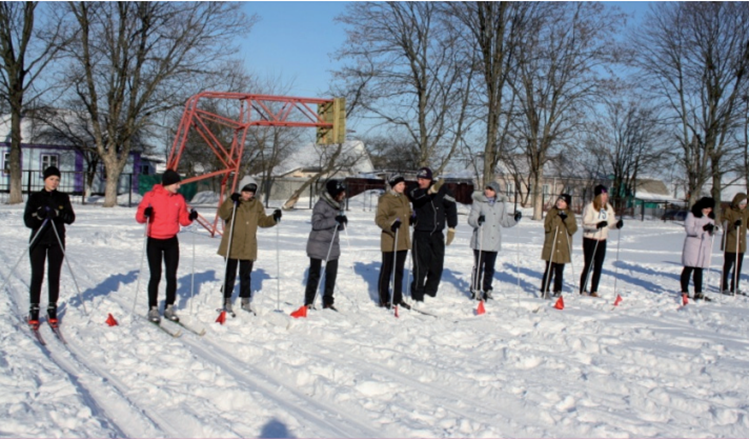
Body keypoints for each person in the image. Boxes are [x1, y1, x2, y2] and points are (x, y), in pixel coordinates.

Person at [135, 169, 197, 323]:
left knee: (171, 275)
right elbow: (140, 218)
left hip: (171, 241)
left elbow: (183, 220)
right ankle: (153, 308)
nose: (178, 186)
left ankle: (169, 306)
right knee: (155, 275)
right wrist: (145, 214)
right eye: (176, 184)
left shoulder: (179, 198)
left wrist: (190, 217)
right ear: (168, 183)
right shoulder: (150, 196)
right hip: (154, 240)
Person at [217, 179, 281, 314]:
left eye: (251, 193)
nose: (248, 195)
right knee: (230, 273)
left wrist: (273, 218)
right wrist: (230, 201)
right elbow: (223, 214)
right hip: (232, 244)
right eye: (246, 192)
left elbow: (262, 221)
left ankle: (245, 299)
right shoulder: (234, 202)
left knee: (246, 275)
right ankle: (226, 298)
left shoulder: (257, 205)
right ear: (241, 190)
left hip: (248, 245)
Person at [23, 166, 75, 328]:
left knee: (54, 274)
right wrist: (39, 215)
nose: (54, 182)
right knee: (37, 274)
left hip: (56, 240)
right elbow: (28, 221)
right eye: (51, 179)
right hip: (38, 240)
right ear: (45, 179)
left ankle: (52, 308)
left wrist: (58, 214)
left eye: (57, 180)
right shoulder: (35, 197)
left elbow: (70, 218)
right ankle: (34, 309)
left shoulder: (62, 197)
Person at [407, 167, 458, 302]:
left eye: (423, 179)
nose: (420, 182)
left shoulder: (442, 189)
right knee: (420, 266)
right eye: (419, 179)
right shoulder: (413, 189)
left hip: (437, 234)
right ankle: (417, 294)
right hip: (421, 233)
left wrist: (452, 227)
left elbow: (451, 206)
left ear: (430, 179)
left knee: (437, 265)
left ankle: (430, 292)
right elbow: (417, 198)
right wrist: (429, 191)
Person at [466, 181, 521, 300]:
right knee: (478, 267)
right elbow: (471, 219)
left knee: (490, 268)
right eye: (487, 188)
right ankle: (475, 289)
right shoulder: (479, 202)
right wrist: (477, 220)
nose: (488, 191)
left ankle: (487, 289)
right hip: (480, 240)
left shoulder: (501, 204)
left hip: (493, 241)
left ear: (496, 191)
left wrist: (515, 219)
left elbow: (504, 221)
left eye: (490, 189)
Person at [303, 179, 347, 311]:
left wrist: (342, 222)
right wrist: (334, 220)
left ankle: (328, 301)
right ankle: (309, 301)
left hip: (332, 244)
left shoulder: (339, 205)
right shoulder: (321, 204)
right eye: (341, 192)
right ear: (334, 193)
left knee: (331, 274)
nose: (344, 195)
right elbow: (316, 224)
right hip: (318, 243)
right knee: (315, 274)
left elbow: (338, 227)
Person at [375, 174, 412, 309]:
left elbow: (408, 213)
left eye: (403, 184)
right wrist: (390, 225)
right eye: (400, 184)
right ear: (393, 185)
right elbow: (379, 219)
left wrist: (413, 217)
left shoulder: (404, 198)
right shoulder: (385, 199)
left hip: (403, 240)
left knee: (399, 271)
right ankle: (384, 298)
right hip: (390, 240)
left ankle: (397, 298)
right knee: (387, 270)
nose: (403, 186)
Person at [579, 185, 623, 297]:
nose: (605, 196)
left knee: (599, 265)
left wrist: (617, 225)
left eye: (606, 194)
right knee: (589, 264)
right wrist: (596, 225)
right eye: (603, 194)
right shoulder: (590, 207)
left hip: (602, 239)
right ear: (598, 195)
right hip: (590, 238)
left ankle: (594, 290)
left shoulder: (608, 207)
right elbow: (585, 223)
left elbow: (611, 223)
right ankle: (583, 288)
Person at [540, 194, 578, 298]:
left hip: (563, 248)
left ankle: (558, 289)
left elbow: (573, 229)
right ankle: (545, 289)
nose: (559, 203)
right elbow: (547, 227)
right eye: (559, 200)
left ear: (567, 204)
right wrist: (557, 218)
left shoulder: (570, 214)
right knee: (549, 269)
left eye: (562, 201)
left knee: (559, 271)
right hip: (551, 246)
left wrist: (566, 219)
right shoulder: (552, 212)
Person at [681, 197, 716, 301]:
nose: (708, 210)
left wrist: (713, 230)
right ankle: (684, 290)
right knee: (689, 267)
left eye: (710, 208)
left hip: (704, 246)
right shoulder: (692, 215)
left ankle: (698, 291)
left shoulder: (710, 217)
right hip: (693, 245)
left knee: (699, 269)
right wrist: (702, 228)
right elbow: (689, 230)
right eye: (706, 208)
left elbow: (712, 232)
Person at [720, 193, 749, 295]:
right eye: (741, 204)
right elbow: (724, 223)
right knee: (728, 265)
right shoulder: (729, 210)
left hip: (741, 244)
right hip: (730, 242)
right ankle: (724, 286)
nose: (743, 206)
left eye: (745, 204)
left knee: (738, 266)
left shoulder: (746, 212)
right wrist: (733, 225)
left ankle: (735, 286)